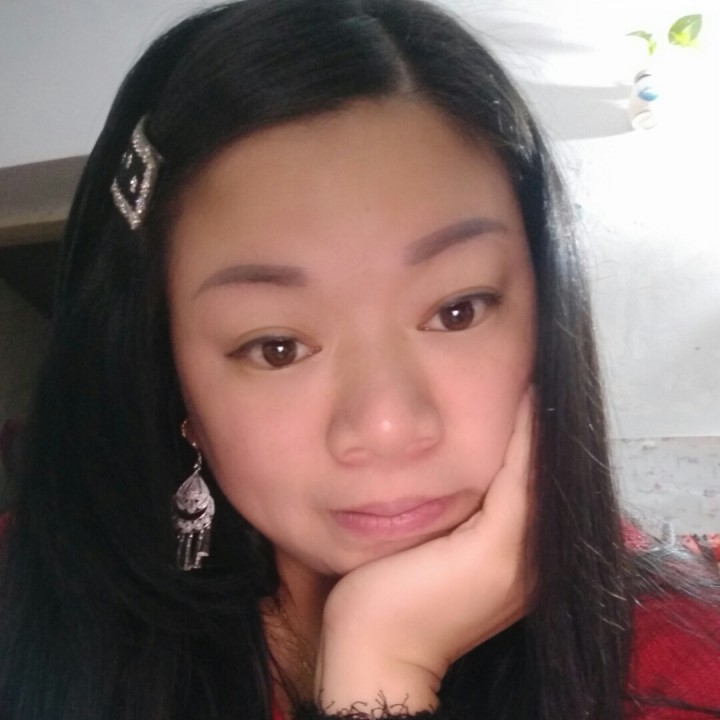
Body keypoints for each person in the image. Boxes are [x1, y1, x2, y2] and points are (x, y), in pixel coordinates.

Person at [0, 1, 718, 718]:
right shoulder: (31, 603)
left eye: (457, 311)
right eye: (278, 348)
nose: (386, 425)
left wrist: (385, 660)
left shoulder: (681, 671)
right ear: (173, 379)